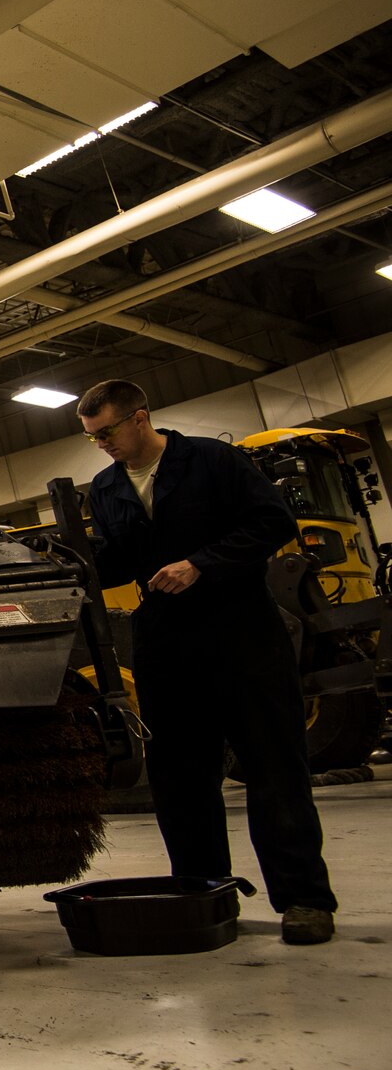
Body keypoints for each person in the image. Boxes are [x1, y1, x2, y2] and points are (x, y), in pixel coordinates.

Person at [76, 379, 338, 944]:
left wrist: (201, 563)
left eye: (107, 432)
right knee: (180, 778)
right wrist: (74, 562)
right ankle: (204, 895)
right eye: (93, 437)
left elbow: (272, 523)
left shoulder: (214, 460)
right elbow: (121, 560)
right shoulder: (105, 487)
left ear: (140, 418)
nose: (101, 445)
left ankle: (304, 901)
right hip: (165, 638)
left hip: (241, 626)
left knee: (274, 767)